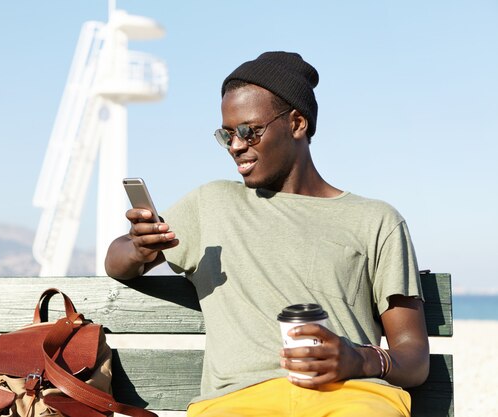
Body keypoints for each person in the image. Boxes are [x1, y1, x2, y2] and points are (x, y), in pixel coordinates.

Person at [105, 51, 429, 417]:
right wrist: (138, 247)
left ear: (297, 124)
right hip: (237, 401)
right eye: (226, 134)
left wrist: (360, 359)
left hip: (352, 397)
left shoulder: (376, 220)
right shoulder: (212, 202)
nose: (236, 145)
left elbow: (413, 357)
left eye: (249, 131)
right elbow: (116, 262)